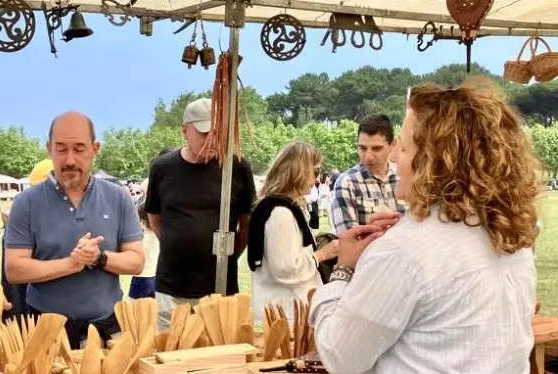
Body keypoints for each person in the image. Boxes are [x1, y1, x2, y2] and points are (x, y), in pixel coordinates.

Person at [310, 80, 542, 374]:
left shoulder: (407, 251)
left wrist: (344, 272)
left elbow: (338, 352)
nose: (395, 156)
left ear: (437, 159)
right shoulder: (510, 240)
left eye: (406, 146)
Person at [4, 111, 145, 349]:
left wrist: (98, 257)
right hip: (46, 329)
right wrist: (72, 263)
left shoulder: (118, 197)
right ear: (49, 148)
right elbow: (15, 269)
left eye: (79, 149)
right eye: (61, 148)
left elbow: (137, 262)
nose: (70, 159)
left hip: (108, 327)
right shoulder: (26, 203)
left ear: (95, 148)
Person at [145, 98, 256, 330]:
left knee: (219, 358)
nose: (213, 141)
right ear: (185, 130)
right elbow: (154, 218)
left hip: (221, 287)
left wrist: (230, 255)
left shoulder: (237, 168)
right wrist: (176, 244)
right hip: (172, 288)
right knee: (172, 356)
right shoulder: (162, 168)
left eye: (218, 133)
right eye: (205, 133)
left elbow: (246, 223)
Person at [246, 142, 337, 326]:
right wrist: (321, 254)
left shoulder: (281, 208)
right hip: (286, 317)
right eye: (316, 171)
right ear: (299, 171)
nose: (317, 179)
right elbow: (285, 268)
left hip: (286, 313)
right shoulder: (281, 214)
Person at [330, 114, 404, 235]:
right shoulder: (347, 183)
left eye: (376, 149)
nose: (368, 157)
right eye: (363, 148)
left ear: (393, 145)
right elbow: (348, 242)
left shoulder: (405, 177)